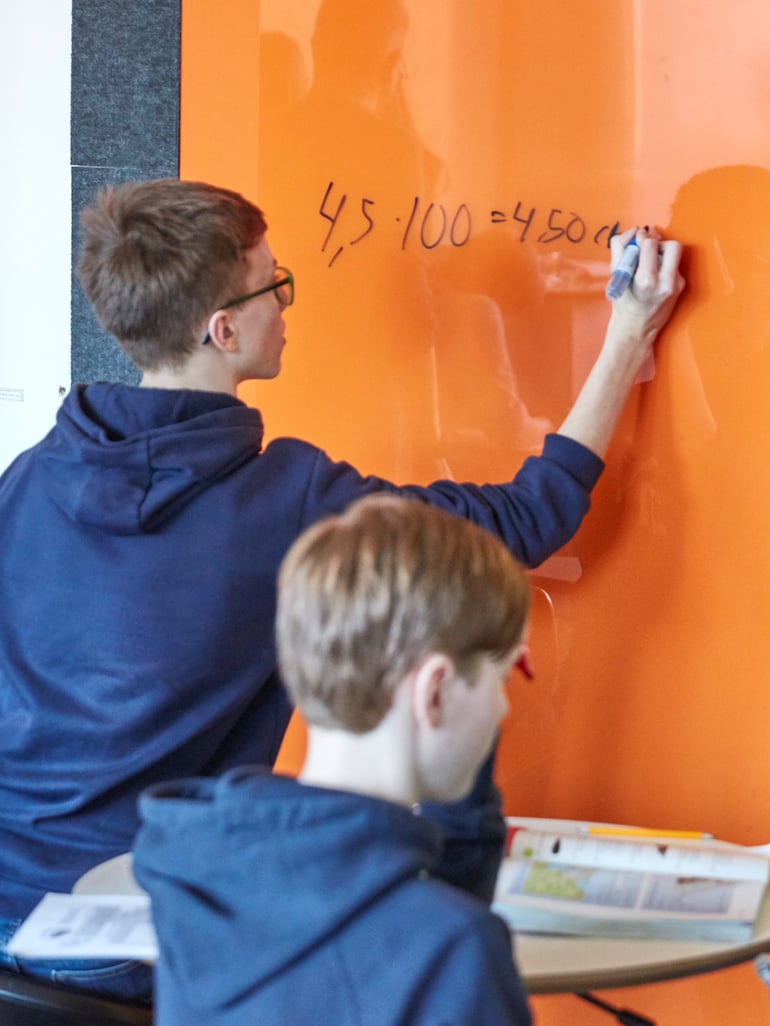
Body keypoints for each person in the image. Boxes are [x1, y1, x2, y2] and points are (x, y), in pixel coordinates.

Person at [0, 177, 683, 1001]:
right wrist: (627, 334)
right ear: (224, 329)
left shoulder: (30, 479)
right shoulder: (283, 501)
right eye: (274, 286)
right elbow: (525, 521)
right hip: (140, 937)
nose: (287, 304)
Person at [133, 495, 535, 1026]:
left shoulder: (199, 884)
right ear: (435, 691)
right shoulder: (455, 950)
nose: (503, 706)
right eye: (500, 679)